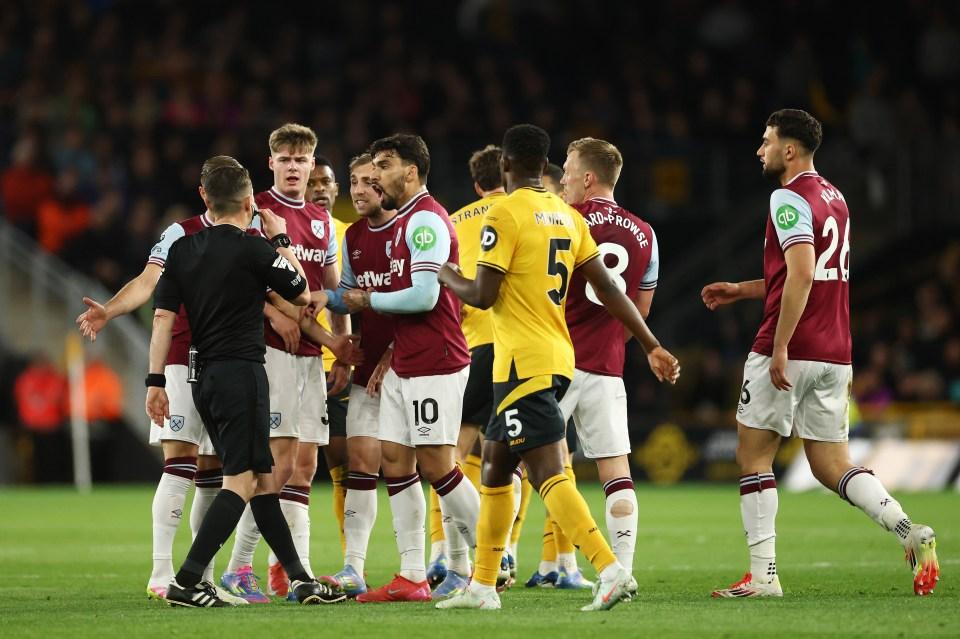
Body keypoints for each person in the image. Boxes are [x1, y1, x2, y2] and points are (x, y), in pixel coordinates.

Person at [436, 124, 679, 612]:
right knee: (497, 466)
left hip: (522, 361)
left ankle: (609, 569)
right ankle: (482, 586)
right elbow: (611, 290)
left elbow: (482, 295)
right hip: (555, 356)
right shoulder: (566, 217)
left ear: (505, 164)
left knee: (549, 471)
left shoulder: (504, 214)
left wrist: (445, 274)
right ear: (542, 164)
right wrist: (652, 344)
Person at [702, 109, 939, 598]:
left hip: (789, 346)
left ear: (790, 150)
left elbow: (804, 272)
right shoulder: (836, 197)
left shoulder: (786, 197)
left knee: (753, 456)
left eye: (766, 141)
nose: (760, 149)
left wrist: (782, 343)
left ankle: (763, 577)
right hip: (836, 350)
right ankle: (908, 531)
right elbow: (807, 271)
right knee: (831, 465)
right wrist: (744, 290)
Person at [145, 162, 344, 607]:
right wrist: (280, 239)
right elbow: (300, 292)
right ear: (251, 201)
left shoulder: (182, 251)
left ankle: (300, 578)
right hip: (243, 374)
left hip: (202, 377)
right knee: (241, 481)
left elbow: (162, 319)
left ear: (205, 198)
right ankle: (187, 579)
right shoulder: (255, 250)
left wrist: (155, 380)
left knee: (262, 477)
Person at [75, 156, 248, 602]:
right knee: (181, 462)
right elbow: (148, 282)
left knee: (213, 471)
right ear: (204, 195)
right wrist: (110, 310)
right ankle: (160, 572)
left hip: (228, 361)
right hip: (181, 358)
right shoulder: (180, 233)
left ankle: (202, 576)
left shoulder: (253, 230)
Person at [337, 133, 479, 602]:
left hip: (435, 359)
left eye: (383, 164)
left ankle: (489, 564)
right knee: (396, 461)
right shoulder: (401, 223)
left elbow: (425, 296)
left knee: (438, 463)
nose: (375, 174)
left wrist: (366, 300)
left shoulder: (425, 223)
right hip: (405, 361)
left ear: (411, 171)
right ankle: (413, 575)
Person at [221, 124, 349, 601]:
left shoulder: (321, 219)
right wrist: (274, 313)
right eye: (286, 159)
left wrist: (342, 351)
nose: (295, 167)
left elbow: (333, 291)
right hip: (268, 350)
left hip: (313, 354)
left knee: (305, 464)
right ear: (270, 162)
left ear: (312, 164)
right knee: (276, 460)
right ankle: (239, 568)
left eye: (302, 160)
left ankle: (290, 569)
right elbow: (234, 279)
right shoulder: (257, 212)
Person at [556, 136, 659, 596]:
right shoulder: (646, 233)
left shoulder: (566, 220)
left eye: (566, 171)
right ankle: (625, 571)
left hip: (553, 359)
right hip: (607, 365)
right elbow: (640, 308)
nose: (561, 180)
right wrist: (610, 343)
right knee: (616, 472)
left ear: (588, 178)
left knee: (511, 463)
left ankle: (492, 570)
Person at [317, 153, 398, 597]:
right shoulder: (352, 238)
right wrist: (320, 300)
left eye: (370, 180)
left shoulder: (417, 228)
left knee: (434, 467)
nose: (361, 188)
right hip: (363, 365)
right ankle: (353, 568)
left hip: (416, 364)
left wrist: (391, 351)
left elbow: (431, 303)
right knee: (354, 464)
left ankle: (464, 564)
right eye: (355, 181)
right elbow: (348, 299)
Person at [427, 144, 506, 588]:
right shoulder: (522, 212)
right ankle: (511, 554)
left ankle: (446, 552)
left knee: (450, 453)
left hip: (472, 348)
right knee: (527, 461)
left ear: (477, 184)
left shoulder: (454, 220)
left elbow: (447, 290)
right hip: (524, 348)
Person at [306, 156, 353, 553]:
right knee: (287, 464)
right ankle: (277, 563)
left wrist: (349, 355)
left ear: (337, 191)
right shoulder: (283, 233)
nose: (320, 188)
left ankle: (347, 559)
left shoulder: (351, 236)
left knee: (343, 462)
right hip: (297, 359)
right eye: (313, 183)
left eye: (327, 182)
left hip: (336, 362)